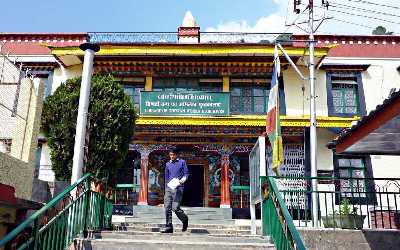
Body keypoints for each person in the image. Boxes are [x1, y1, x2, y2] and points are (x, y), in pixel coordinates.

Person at [161, 147, 189, 233]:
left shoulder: (182, 162)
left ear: (177, 155)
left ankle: (184, 219)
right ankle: (169, 227)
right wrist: (166, 188)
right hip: (169, 188)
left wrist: (181, 181)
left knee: (175, 208)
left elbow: (186, 173)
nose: (171, 156)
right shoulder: (167, 164)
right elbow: (166, 177)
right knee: (167, 207)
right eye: (170, 155)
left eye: (173, 155)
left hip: (178, 188)